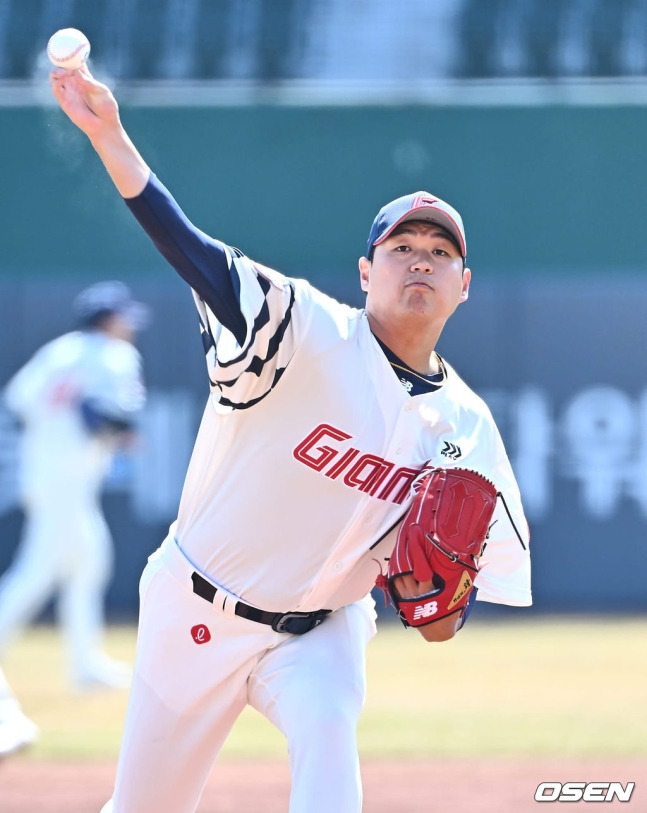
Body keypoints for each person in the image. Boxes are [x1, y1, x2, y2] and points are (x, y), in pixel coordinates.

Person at [50, 65, 531, 813]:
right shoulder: (304, 329)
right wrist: (110, 137)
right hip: (196, 610)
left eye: (440, 253)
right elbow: (195, 254)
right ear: (365, 270)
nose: (422, 260)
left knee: (328, 742)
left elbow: (448, 610)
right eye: (403, 246)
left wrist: (440, 602)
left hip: (319, 634)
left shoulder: (466, 426)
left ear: (462, 285)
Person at [0, 281, 147, 755]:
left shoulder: (59, 350)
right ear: (108, 318)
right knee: (37, 572)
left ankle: (85, 664)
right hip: (68, 479)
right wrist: (104, 422)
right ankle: (80, 662)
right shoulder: (113, 354)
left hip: (45, 474)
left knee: (89, 562)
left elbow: (20, 400)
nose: (129, 326)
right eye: (123, 317)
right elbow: (117, 414)